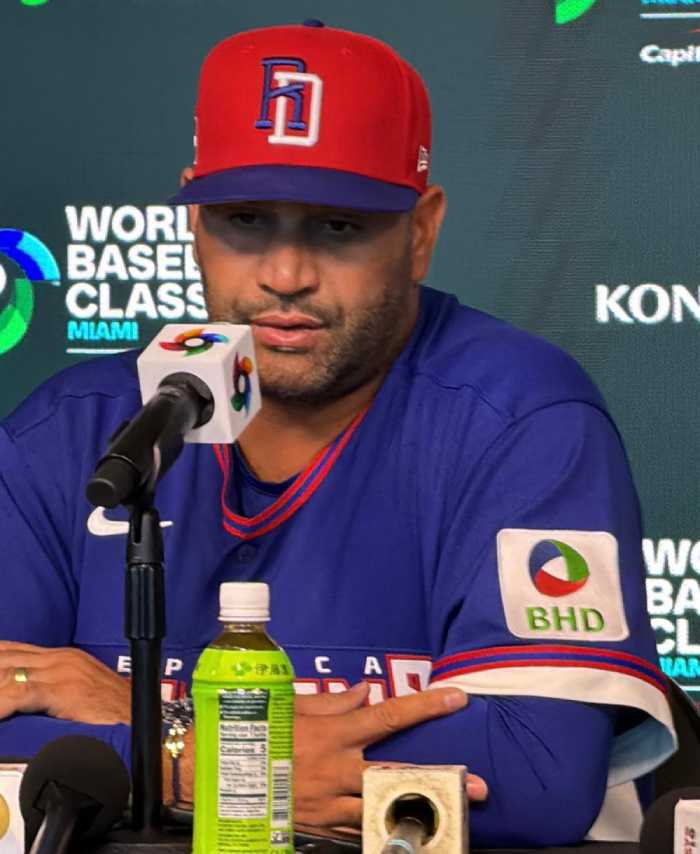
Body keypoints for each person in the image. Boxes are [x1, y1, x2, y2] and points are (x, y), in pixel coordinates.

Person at [0, 20, 676, 848]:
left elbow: (535, 772)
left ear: (421, 232)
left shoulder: (521, 418)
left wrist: (171, 739)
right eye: (247, 219)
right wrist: (207, 756)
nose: (286, 275)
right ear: (195, 219)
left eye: (339, 226)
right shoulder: (73, 430)